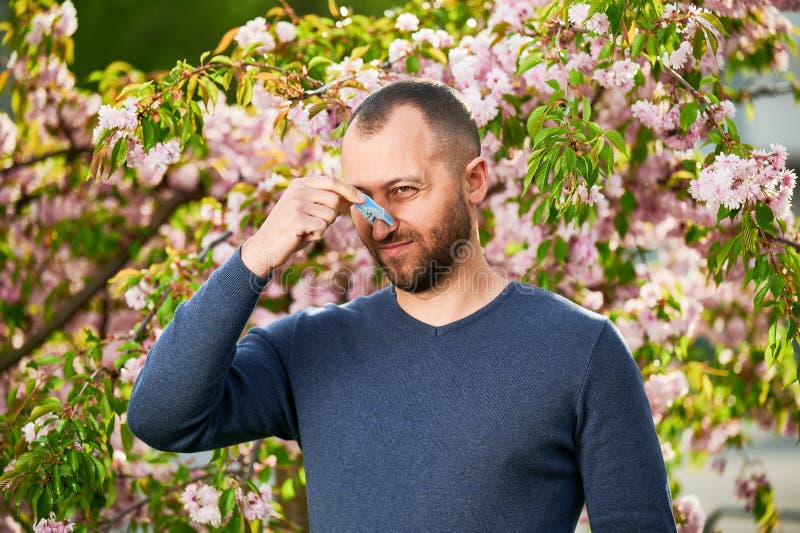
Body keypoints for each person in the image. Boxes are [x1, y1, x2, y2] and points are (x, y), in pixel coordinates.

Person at [127, 78, 677, 532]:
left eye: (404, 190)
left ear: (475, 181)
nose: (380, 221)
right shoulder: (308, 349)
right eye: (363, 198)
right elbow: (161, 418)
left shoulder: (580, 350)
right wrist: (255, 257)